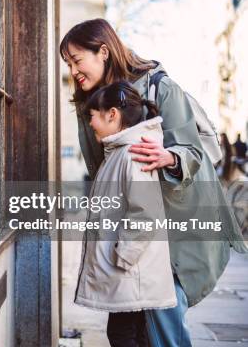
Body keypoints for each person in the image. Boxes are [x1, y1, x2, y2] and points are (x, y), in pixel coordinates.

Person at [60, 18, 247, 347]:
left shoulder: (160, 88)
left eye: (76, 60)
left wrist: (170, 157)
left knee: (161, 330)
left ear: (103, 51)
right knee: (124, 332)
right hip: (128, 234)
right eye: (68, 63)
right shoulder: (94, 102)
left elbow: (193, 150)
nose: (73, 70)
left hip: (169, 232)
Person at [75, 81, 177, 347]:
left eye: (93, 116)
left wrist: (123, 256)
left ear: (112, 114)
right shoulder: (121, 152)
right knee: (134, 336)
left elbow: (145, 214)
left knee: (123, 336)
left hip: (131, 272)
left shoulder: (131, 154)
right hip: (131, 273)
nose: (91, 123)